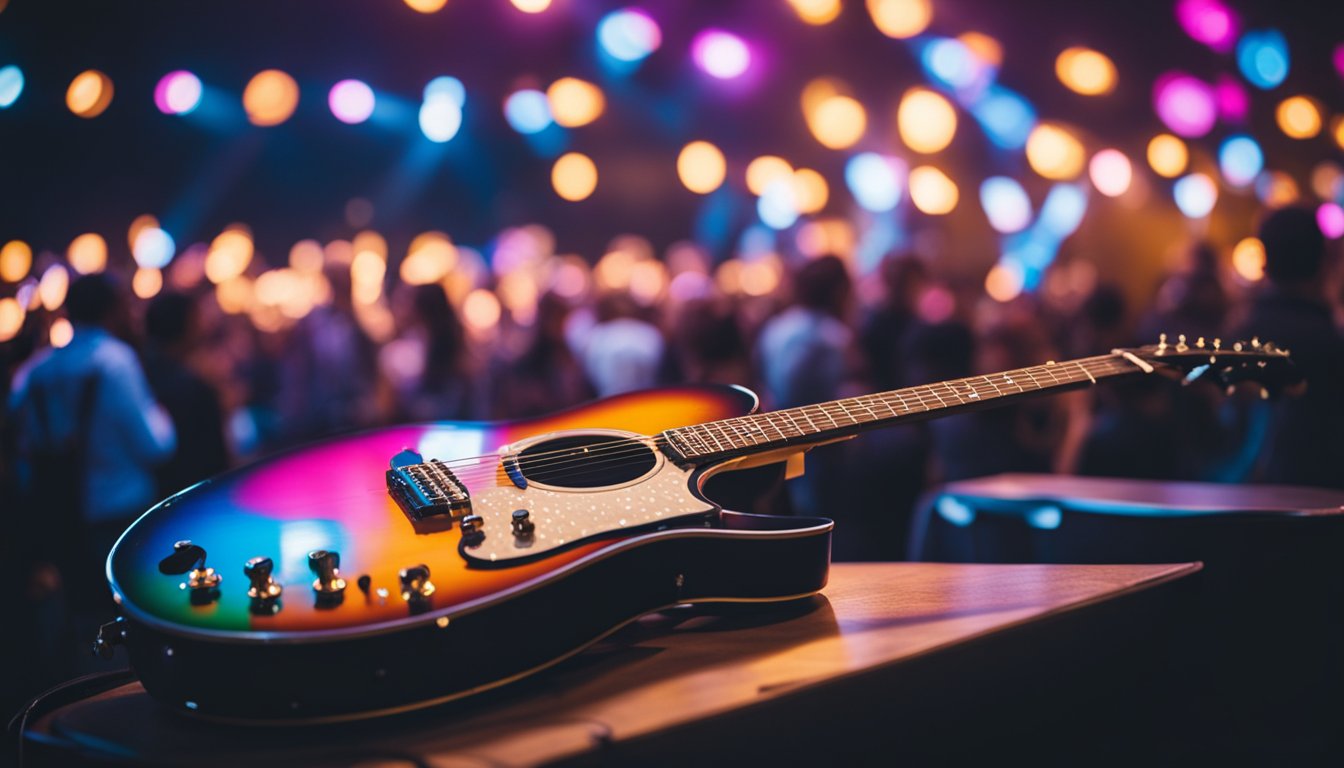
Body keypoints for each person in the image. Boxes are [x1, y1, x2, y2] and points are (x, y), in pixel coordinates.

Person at [9, 273, 176, 605]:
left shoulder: (37, 370)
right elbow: (156, 445)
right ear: (113, 310)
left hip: (62, 513)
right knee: (128, 609)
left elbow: (23, 446)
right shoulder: (115, 361)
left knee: (82, 612)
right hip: (123, 510)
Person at [1228, 206, 1344, 487]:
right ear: (1323, 262)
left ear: (1265, 264)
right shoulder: (1332, 346)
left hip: (1241, 509)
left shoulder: (1233, 341)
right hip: (1323, 513)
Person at [143, 291, 230, 499]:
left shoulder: (142, 375)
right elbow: (216, 459)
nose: (202, 327)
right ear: (186, 326)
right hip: (198, 498)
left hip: (157, 500)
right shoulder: (195, 388)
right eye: (197, 319)